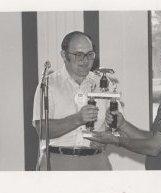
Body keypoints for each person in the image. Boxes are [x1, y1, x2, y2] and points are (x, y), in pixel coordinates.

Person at [86, 44, 161, 170]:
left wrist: (116, 140)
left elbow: (153, 147)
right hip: (160, 182)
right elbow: (153, 137)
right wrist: (123, 124)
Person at [33, 31, 118, 171]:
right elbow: (41, 130)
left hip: (97, 162)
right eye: (78, 55)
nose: (84, 60)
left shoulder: (104, 83)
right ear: (64, 55)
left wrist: (106, 137)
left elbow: (117, 124)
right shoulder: (48, 84)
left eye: (89, 54)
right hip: (57, 162)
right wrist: (78, 119)